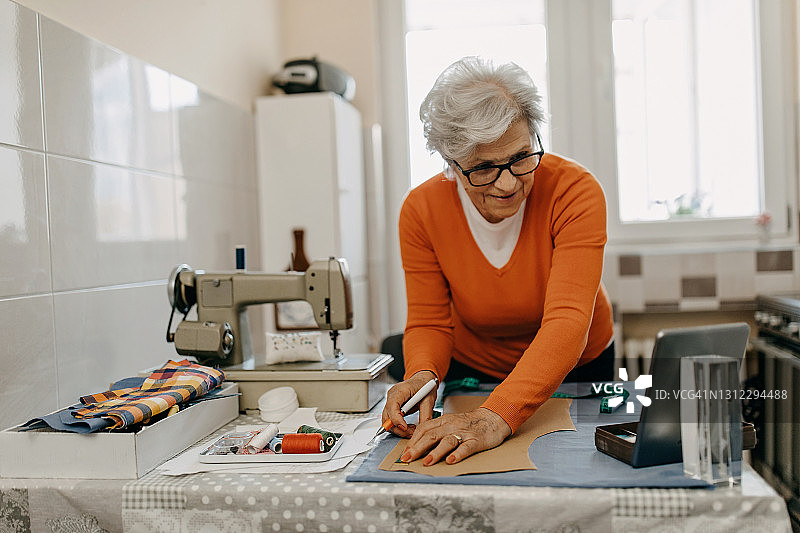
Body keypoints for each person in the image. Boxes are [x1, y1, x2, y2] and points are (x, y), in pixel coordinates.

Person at [381, 56, 615, 467]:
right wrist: (421, 374)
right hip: (476, 366)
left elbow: (567, 323)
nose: (507, 183)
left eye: (521, 157)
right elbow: (430, 321)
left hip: (577, 366)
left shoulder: (575, 191)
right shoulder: (421, 210)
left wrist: (495, 417)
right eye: (484, 168)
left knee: (576, 470)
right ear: (452, 164)